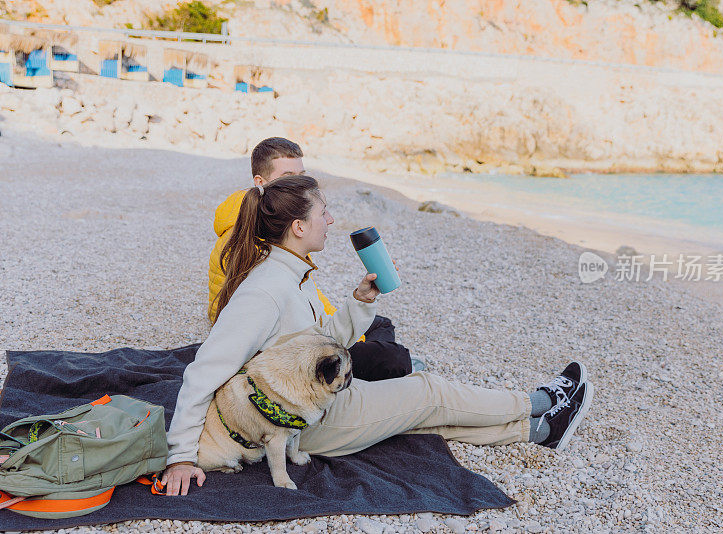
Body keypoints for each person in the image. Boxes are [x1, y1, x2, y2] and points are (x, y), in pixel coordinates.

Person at [163, 175, 594, 495]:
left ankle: (538, 431)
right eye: (322, 212)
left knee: (424, 421)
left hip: (315, 405)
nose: (330, 220)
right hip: (304, 423)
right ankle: (540, 401)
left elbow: (319, 343)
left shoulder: (290, 273)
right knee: (428, 392)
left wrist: (360, 301)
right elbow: (203, 371)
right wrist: (180, 456)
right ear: (298, 226)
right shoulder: (264, 290)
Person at [207, 137, 420, 381]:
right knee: (394, 359)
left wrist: (354, 312)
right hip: (283, 349)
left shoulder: (282, 224)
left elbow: (308, 297)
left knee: (380, 324)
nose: (298, 183)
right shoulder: (257, 237)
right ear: (261, 182)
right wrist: (351, 339)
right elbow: (261, 318)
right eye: (288, 175)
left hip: (304, 330)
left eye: (301, 174)